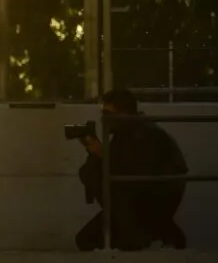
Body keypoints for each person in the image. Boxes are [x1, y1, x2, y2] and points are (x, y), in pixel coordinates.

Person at [75, 87, 189, 251]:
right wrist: (97, 154)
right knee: (87, 239)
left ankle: (163, 234)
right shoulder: (126, 133)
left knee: (92, 239)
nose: (104, 119)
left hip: (149, 199)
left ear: (125, 113)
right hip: (137, 201)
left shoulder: (145, 133)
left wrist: (103, 154)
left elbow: (134, 173)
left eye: (108, 114)